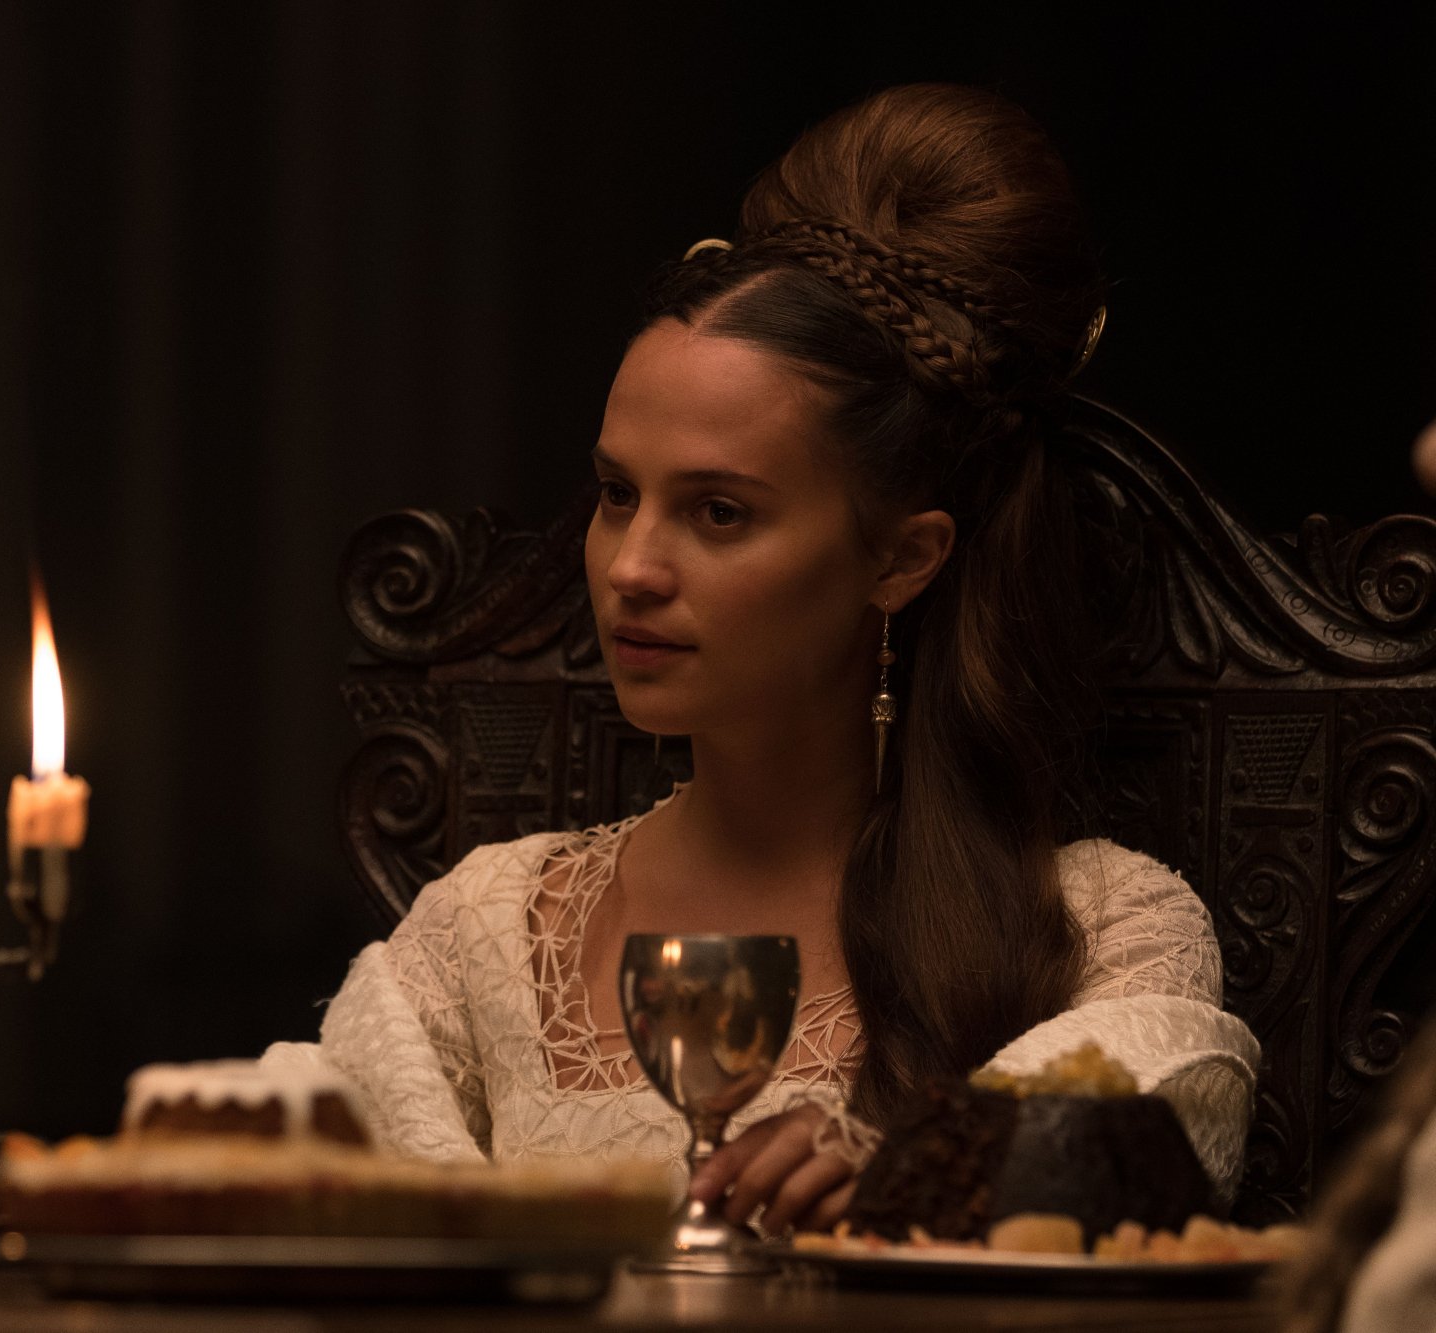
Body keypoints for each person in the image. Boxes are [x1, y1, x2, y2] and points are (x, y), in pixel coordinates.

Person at [266, 82, 1259, 1235]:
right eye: (614, 494)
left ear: (900, 559)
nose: (629, 566)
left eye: (719, 512)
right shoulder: (488, 928)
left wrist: (904, 1176)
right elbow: (359, 1214)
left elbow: (1136, 1152)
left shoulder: (1097, 928)